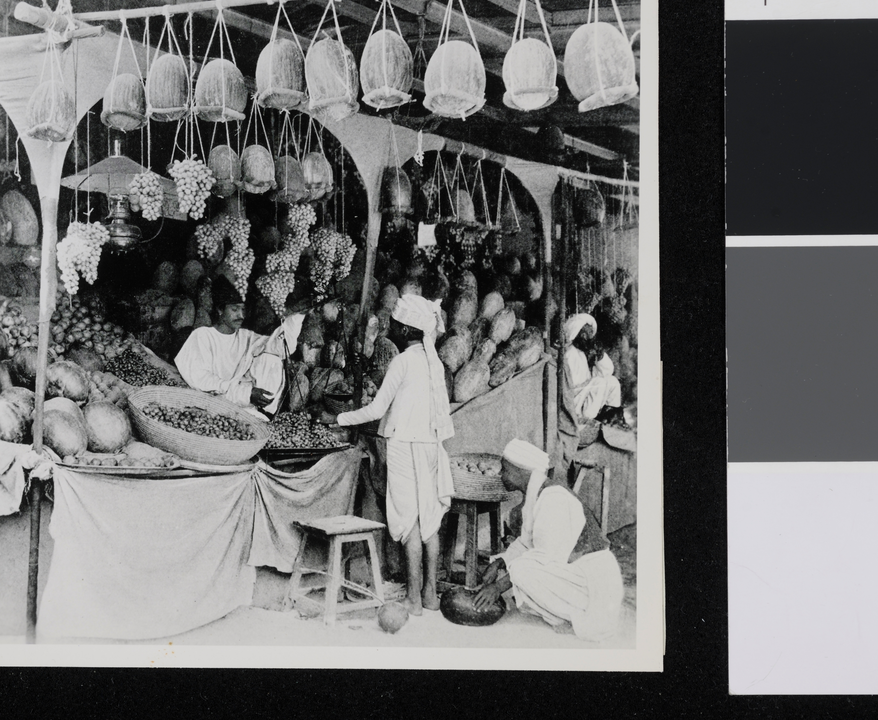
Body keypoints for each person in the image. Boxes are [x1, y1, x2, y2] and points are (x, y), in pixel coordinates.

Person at [330, 294, 455, 616]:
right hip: (430, 446)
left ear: (403, 328)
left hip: (404, 446)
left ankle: (412, 598)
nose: (393, 329)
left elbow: (376, 409)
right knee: (430, 523)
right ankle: (429, 595)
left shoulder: (402, 361)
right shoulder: (433, 361)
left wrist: (339, 419)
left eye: (396, 325)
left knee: (409, 523)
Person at [474, 439, 624, 643]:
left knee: (522, 571)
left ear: (520, 471)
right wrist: (500, 563)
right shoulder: (538, 494)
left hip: (594, 582)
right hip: (579, 575)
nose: (501, 475)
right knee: (514, 568)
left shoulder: (555, 498)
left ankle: (573, 615)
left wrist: (498, 587)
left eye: (505, 470)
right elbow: (526, 544)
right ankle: (563, 613)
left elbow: (544, 559)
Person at [175, 275, 303, 420]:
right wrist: (245, 393)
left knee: (271, 359)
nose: (241, 315)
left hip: (242, 402)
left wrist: (297, 316)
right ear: (220, 310)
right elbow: (203, 381)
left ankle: (261, 415)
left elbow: (280, 348)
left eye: (243, 309)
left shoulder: (245, 336)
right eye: (235, 309)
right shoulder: (202, 336)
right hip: (213, 401)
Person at [564, 313, 623, 421]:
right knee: (598, 383)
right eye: (585, 334)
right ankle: (589, 418)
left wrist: (599, 356)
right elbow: (573, 385)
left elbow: (608, 371)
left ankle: (611, 415)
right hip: (574, 400)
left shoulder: (584, 352)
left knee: (612, 381)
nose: (588, 337)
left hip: (586, 396)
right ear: (576, 333)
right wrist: (594, 380)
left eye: (590, 333)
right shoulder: (570, 353)